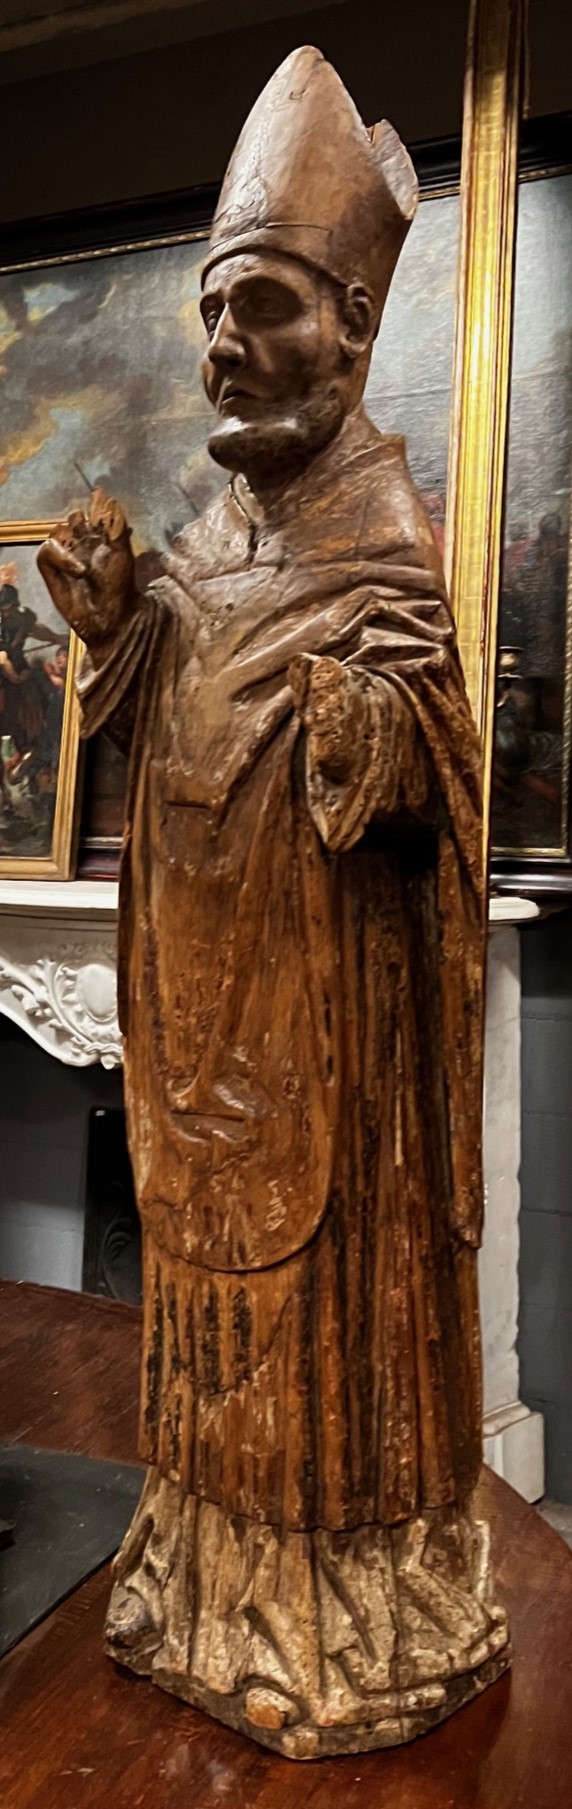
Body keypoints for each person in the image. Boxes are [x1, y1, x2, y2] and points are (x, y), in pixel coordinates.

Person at [38, 47, 509, 1760]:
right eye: (214, 312)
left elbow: (435, 764)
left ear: (356, 326)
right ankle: (207, 1577)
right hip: (209, 1037)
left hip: (333, 1066)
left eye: (265, 307)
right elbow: (180, 726)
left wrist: (377, 737)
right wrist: (123, 626)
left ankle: (332, 1607)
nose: (226, 345)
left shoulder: (382, 535)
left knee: (318, 1321)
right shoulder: (222, 538)